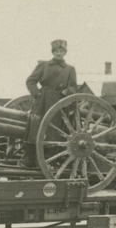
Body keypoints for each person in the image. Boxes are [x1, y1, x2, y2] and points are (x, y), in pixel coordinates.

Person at [22, 39, 78, 167]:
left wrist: (66, 92)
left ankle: (47, 160)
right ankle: (29, 159)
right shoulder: (43, 65)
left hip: (59, 102)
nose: (59, 53)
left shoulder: (70, 69)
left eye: (61, 51)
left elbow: (74, 87)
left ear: (65, 52)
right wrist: (37, 93)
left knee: (54, 130)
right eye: (57, 51)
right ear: (53, 52)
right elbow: (30, 81)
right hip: (43, 100)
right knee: (35, 127)